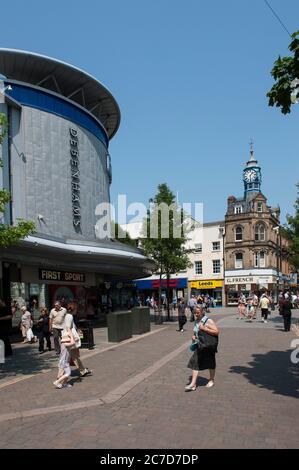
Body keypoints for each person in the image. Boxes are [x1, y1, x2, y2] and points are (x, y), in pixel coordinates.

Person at [185, 306, 219, 391]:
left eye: (198, 313)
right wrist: (194, 337)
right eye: (195, 313)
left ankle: (211, 380)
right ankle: (193, 384)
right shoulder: (196, 321)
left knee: (211, 363)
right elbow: (197, 333)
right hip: (200, 345)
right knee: (195, 362)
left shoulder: (208, 320)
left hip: (208, 345)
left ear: (202, 312)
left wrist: (205, 328)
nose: (196, 314)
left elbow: (216, 332)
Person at [63, 308, 92, 378]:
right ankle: (60, 375)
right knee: (68, 357)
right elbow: (68, 328)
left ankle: (83, 370)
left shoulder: (67, 316)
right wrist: (73, 338)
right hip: (70, 340)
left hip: (68, 339)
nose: (77, 311)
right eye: (76, 309)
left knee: (74, 357)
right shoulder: (69, 316)